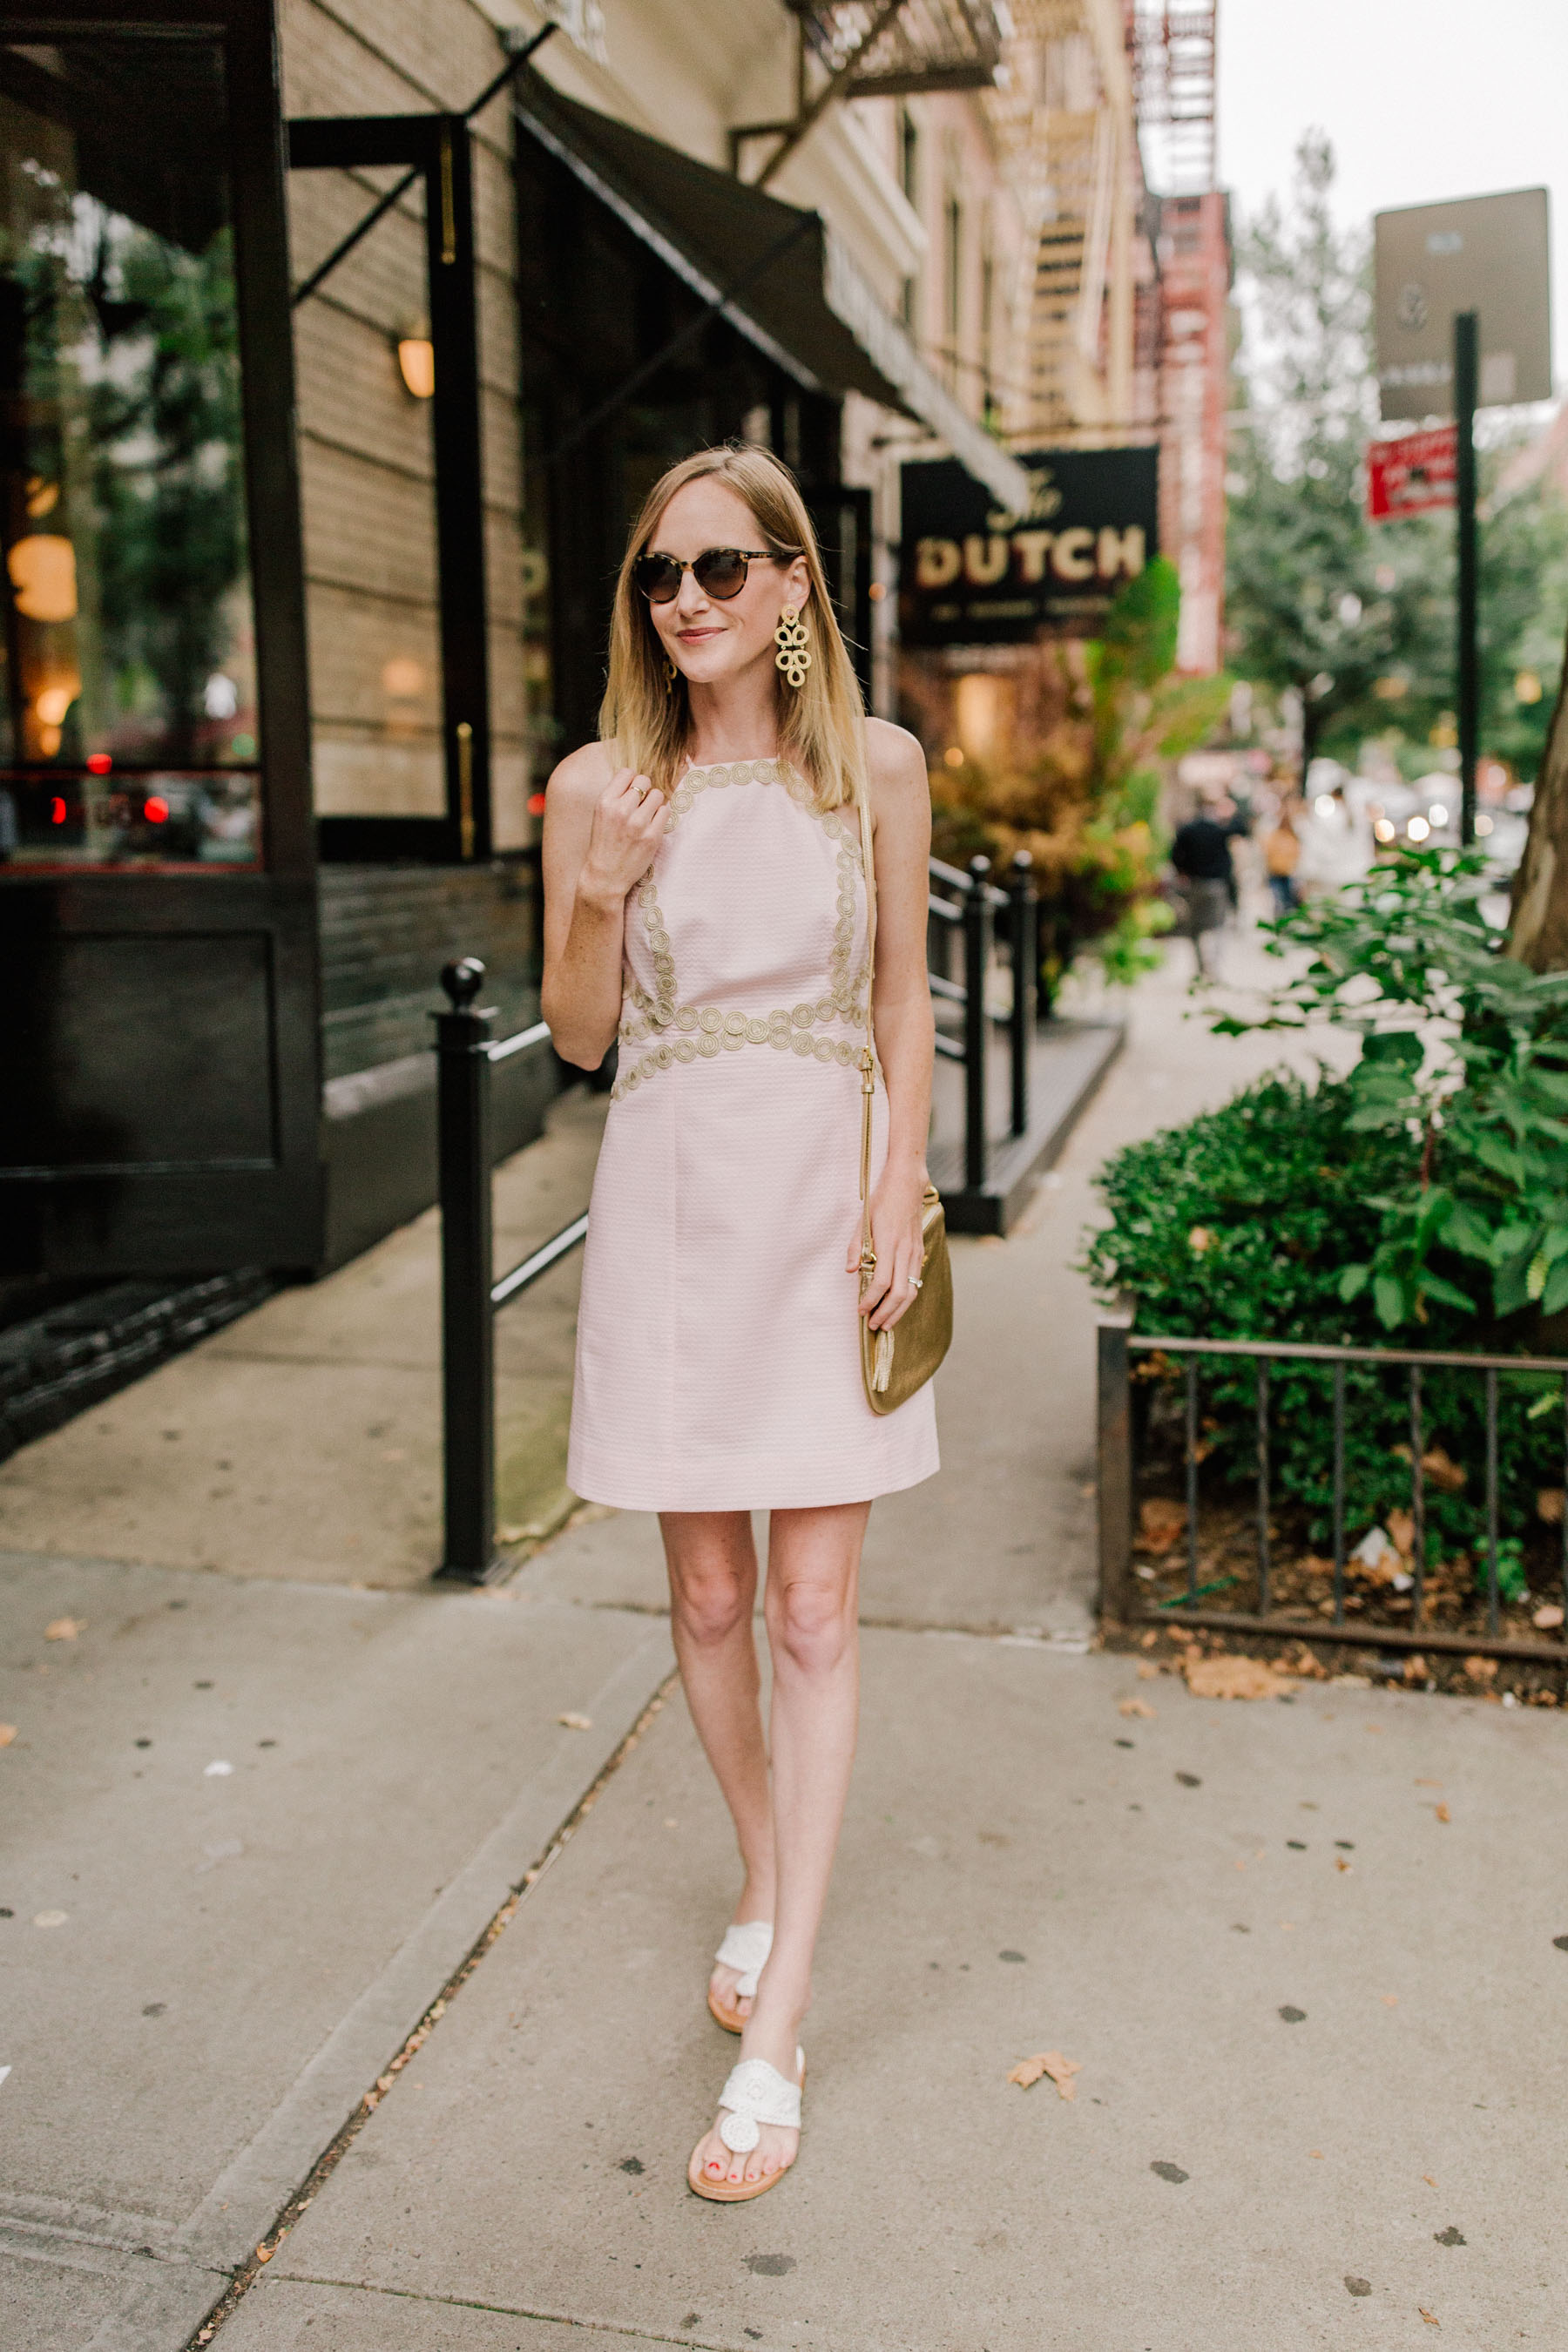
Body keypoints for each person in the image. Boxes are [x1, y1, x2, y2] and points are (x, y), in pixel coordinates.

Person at [540, 445, 939, 2204]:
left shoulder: (882, 774)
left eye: (718, 569)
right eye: (658, 576)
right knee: (706, 1591)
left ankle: (778, 2021)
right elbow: (572, 1039)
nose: (684, 601)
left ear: (790, 586)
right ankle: (770, 1873)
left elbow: (905, 1002)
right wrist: (602, 883)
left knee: (812, 1603)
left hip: (828, 1206)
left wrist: (898, 1187)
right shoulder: (598, 784)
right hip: (679, 1209)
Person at [1168, 798, 1235, 977]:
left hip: (1195, 883)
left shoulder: (1187, 830)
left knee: (1195, 928)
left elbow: (1174, 854)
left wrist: (1182, 871)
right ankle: (1213, 967)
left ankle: (1200, 967)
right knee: (1217, 927)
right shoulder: (1219, 830)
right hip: (1217, 884)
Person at [1263, 801, 1302, 916]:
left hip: (1287, 872)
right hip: (1277, 872)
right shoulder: (1276, 836)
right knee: (1279, 899)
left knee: (1287, 899)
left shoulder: (1291, 837)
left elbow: (1297, 854)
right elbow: (1268, 852)